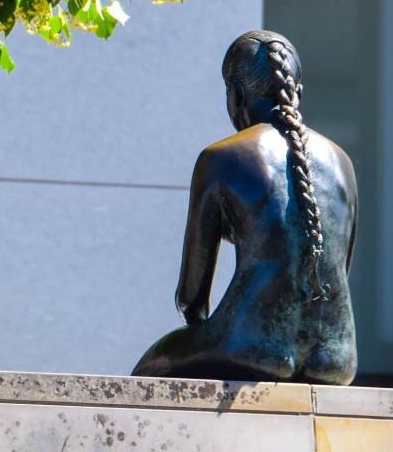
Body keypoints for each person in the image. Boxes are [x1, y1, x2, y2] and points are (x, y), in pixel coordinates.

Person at [133, 30, 358, 382]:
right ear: (298, 93)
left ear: (235, 94)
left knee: (151, 364)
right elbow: (339, 270)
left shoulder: (220, 157)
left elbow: (191, 301)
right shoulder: (341, 161)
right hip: (336, 356)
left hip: (249, 346)